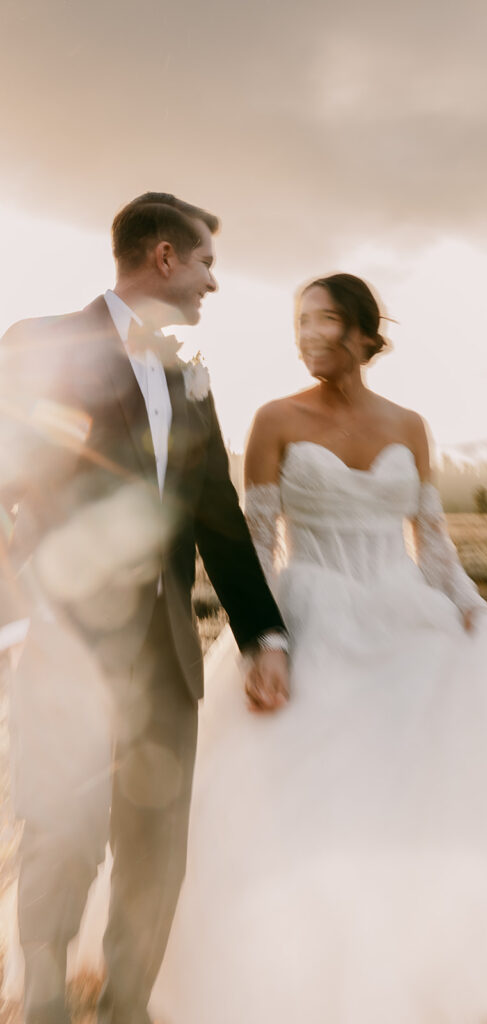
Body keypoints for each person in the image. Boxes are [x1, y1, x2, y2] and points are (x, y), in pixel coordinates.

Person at [84, 273, 487, 1024]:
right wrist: (259, 639)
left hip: (407, 615)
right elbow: (258, 546)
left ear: (365, 335)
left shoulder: (410, 425)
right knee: (304, 794)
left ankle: (432, 965)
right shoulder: (274, 420)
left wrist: (471, 611)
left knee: (436, 790)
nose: (306, 335)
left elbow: (432, 545)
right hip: (311, 616)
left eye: (324, 321)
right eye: (299, 321)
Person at [0, 192, 289, 1024]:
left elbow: (218, 517)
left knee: (155, 848)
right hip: (64, 648)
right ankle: (45, 1006)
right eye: (205, 264)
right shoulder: (42, 343)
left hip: (166, 654)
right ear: (164, 257)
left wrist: (265, 631)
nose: (212, 284)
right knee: (62, 833)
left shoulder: (188, 371)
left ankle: (127, 1006)